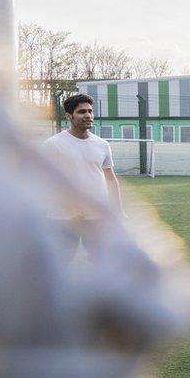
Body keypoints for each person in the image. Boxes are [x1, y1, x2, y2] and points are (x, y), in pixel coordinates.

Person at [42, 93, 124, 263]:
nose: (88, 115)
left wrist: (117, 210)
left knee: (102, 263)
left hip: (96, 218)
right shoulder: (53, 144)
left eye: (90, 111)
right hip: (63, 218)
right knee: (59, 264)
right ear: (69, 116)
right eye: (81, 112)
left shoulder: (102, 145)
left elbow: (110, 179)